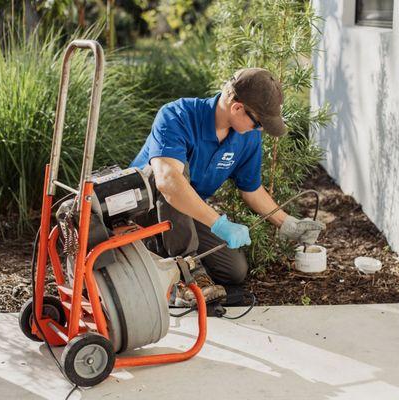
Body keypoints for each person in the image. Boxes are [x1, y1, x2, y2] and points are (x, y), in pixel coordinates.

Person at [130, 68, 325, 306]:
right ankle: (186, 276)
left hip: (186, 215)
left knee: (234, 270)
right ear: (237, 108)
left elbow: (252, 190)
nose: (260, 130)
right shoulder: (177, 116)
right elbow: (168, 183)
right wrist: (219, 224)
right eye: (258, 123)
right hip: (143, 211)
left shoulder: (246, 136)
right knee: (177, 175)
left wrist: (288, 224)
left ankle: (164, 259)